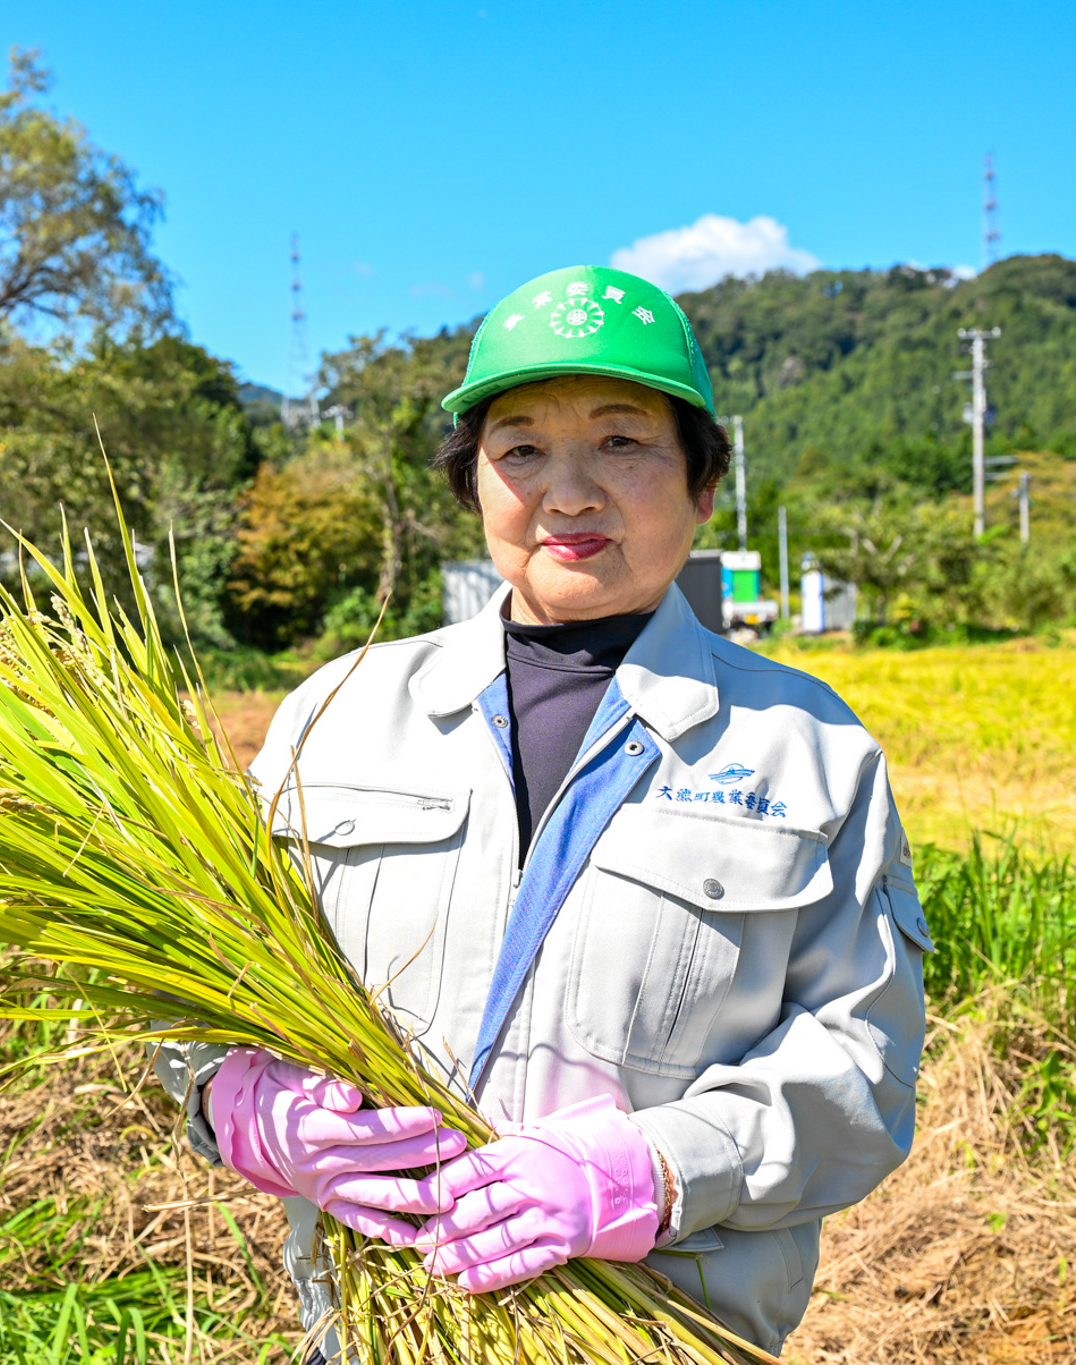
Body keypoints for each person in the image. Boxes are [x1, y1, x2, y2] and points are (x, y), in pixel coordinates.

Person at [154, 265, 928, 1358]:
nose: (567, 493)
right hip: (370, 1336)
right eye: (519, 449)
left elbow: (861, 1070)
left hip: (661, 1337)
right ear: (472, 482)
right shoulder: (334, 713)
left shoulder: (804, 750)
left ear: (703, 484)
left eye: (621, 443)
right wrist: (238, 1103)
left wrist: (650, 1172)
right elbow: (202, 988)